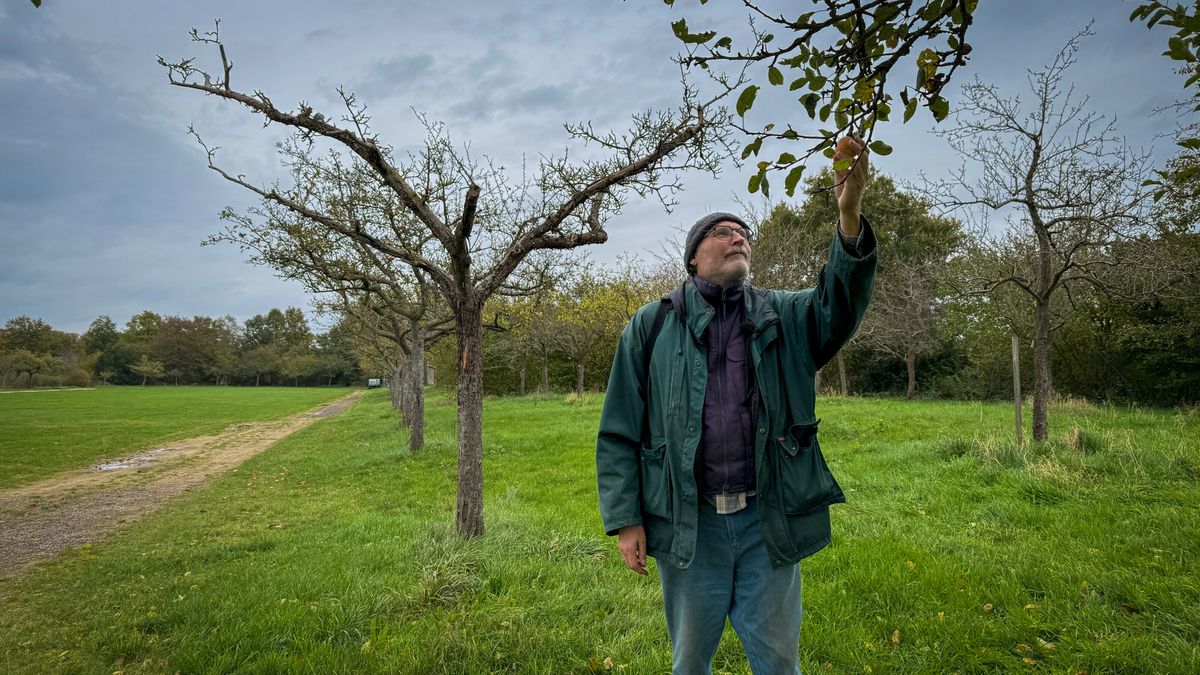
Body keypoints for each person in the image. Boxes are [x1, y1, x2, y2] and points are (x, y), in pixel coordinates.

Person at [596, 137, 877, 674]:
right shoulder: (650, 327)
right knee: (689, 664)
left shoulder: (785, 318)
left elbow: (838, 304)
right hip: (690, 525)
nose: (738, 238)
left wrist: (848, 215)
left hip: (763, 520)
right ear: (694, 257)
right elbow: (618, 430)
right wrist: (626, 518)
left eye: (744, 234)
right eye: (723, 233)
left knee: (777, 665)